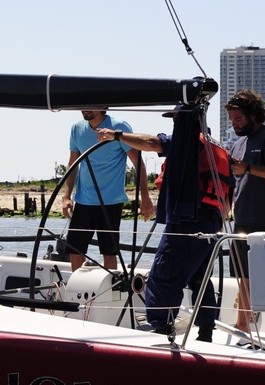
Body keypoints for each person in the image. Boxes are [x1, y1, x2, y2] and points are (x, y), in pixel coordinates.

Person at [97, 111, 231, 342]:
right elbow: (228, 195)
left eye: (176, 119)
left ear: (187, 120)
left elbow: (151, 143)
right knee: (199, 277)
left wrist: (117, 135)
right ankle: (206, 332)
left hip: (187, 219)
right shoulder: (219, 148)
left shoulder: (187, 140)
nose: (174, 123)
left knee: (164, 274)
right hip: (212, 221)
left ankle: (162, 331)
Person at [224, 90, 265, 339]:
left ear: (253, 115)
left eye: (238, 119)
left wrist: (249, 168)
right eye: (231, 120)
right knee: (244, 277)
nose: (234, 124)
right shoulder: (238, 143)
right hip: (242, 219)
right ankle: (243, 325)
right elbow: (234, 179)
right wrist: (225, 205)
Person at [62, 110, 154, 271]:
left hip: (111, 201)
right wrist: (66, 195)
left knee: (109, 253)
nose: (85, 108)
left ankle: (108, 293)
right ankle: (75, 294)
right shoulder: (76, 128)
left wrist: (145, 198)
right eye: (82, 104)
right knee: (75, 250)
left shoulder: (118, 127)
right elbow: (73, 164)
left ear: (102, 105)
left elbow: (138, 163)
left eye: (90, 104)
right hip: (83, 200)